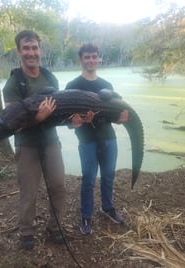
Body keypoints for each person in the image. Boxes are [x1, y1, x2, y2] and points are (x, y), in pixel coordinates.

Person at [2, 30, 66, 250]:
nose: (31, 53)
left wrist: (73, 119)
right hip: (27, 145)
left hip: (51, 142)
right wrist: (39, 117)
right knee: (28, 191)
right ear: (19, 51)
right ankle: (26, 231)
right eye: (26, 48)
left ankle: (55, 226)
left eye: (35, 48)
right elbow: (12, 122)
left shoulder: (50, 77)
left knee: (58, 186)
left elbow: (58, 112)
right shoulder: (13, 84)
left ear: (40, 49)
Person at [65, 43, 128, 235]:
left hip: (108, 138)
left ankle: (107, 207)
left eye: (94, 56)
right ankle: (86, 215)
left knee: (108, 176)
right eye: (87, 57)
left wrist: (120, 118)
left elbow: (112, 116)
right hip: (87, 140)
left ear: (98, 58)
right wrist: (76, 121)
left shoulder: (107, 86)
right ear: (80, 60)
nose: (91, 60)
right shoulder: (72, 86)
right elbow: (66, 119)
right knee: (89, 179)